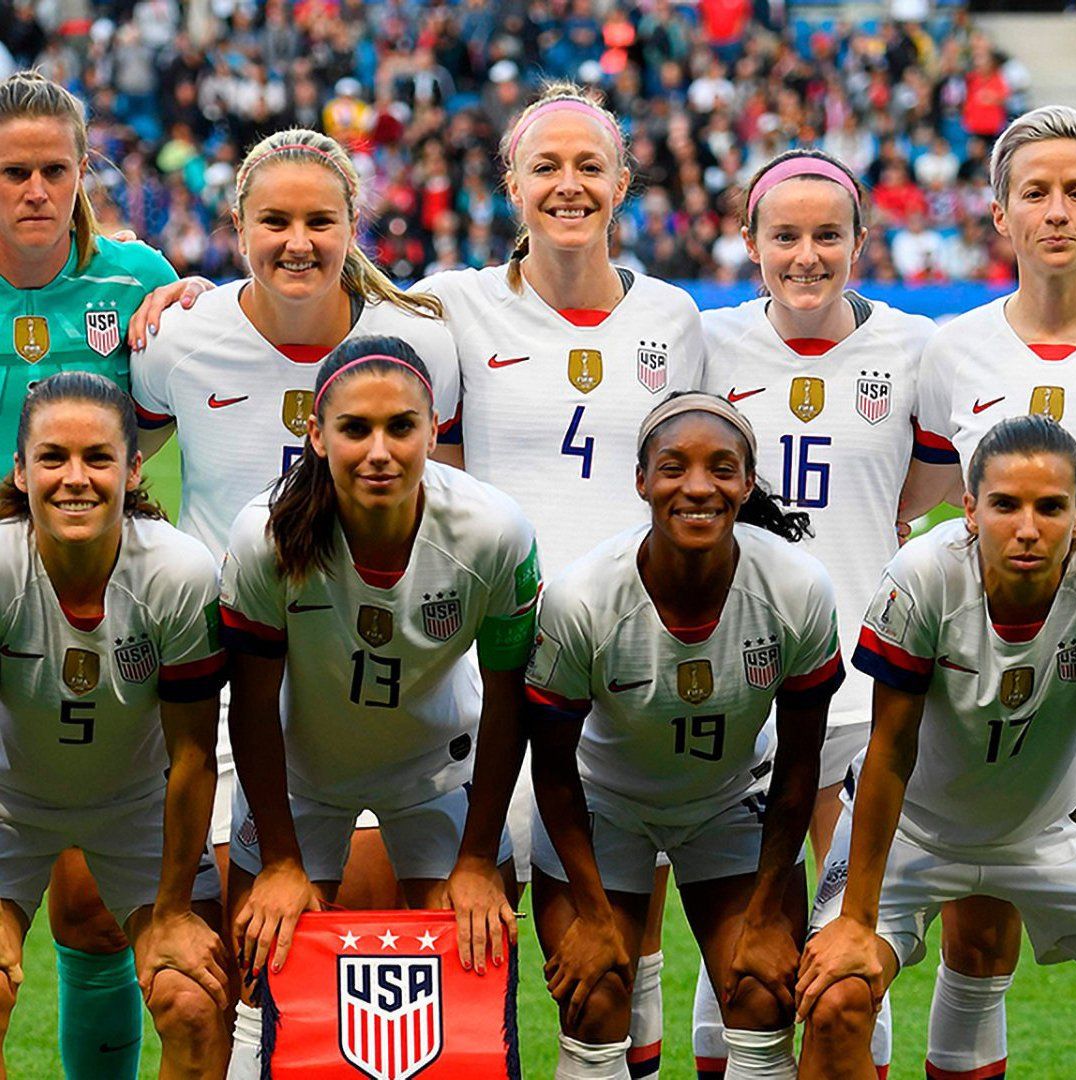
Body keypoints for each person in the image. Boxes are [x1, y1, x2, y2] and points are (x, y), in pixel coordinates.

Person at [416, 83, 707, 1079]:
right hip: (489, 671)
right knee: (474, 917)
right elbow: (324, 299)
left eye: (590, 166)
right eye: (546, 166)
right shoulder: (452, 303)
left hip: (627, 669)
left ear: (623, 183)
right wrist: (182, 293)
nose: (568, 184)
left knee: (626, 940)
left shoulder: (673, 316)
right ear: (512, 184)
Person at [131, 127, 459, 931]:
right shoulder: (179, 338)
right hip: (226, 668)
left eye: (320, 221)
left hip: (371, 666)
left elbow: (453, 501)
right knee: (239, 930)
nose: (298, 242)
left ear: (352, 225)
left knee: (361, 919)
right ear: (238, 226)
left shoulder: (418, 343)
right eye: (274, 221)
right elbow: (121, 468)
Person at [219, 336, 539, 1079]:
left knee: (474, 971)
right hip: (299, 775)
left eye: (401, 427)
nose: (379, 451)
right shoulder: (264, 536)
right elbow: (253, 705)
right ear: (316, 434)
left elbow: (507, 701)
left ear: (433, 430)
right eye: (355, 429)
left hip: (439, 768)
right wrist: (281, 862)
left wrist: (476, 861)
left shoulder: (494, 532)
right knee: (257, 993)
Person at [697, 148, 935, 1077]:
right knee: (734, 953)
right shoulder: (708, 343)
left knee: (850, 950)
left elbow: (934, 483)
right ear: (749, 242)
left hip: (864, 696)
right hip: (740, 691)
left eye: (828, 235)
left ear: (860, 242)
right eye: (785, 236)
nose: (806, 255)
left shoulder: (914, 348)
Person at [526, 392, 843, 1080]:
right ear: (641, 481)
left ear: (748, 483)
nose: (698, 487)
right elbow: (551, 769)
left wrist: (767, 915)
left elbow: (799, 764)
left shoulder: (796, 587)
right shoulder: (582, 598)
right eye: (673, 468)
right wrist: (592, 916)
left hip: (729, 803)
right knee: (594, 997)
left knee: (762, 993)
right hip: (604, 804)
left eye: (722, 469)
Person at [0, 70, 209, 1079]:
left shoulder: (135, 278)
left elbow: (179, 407)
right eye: (12, 172)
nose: (36, 190)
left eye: (55, 169)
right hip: (5, 596)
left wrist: (201, 304)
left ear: (85, 170)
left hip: (104, 591)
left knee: (90, 910)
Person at [798, 414, 1076, 1080]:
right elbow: (890, 750)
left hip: (1046, 832)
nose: (1028, 528)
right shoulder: (924, 574)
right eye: (1006, 505)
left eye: (1050, 507)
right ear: (970, 510)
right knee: (836, 1000)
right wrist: (856, 920)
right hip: (914, 831)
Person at [902, 105, 1076, 1080]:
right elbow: (925, 505)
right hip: (989, 693)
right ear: (1001, 214)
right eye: (1037, 192)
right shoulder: (954, 351)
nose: (1058, 211)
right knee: (977, 942)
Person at [0, 371, 230, 1077]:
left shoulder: (178, 575)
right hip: (9, 806)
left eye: (98, 458)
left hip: (139, 808)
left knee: (196, 1003)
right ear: (21, 470)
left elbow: (194, 754)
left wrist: (173, 912)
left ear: (133, 471)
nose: (75, 478)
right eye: (53, 458)